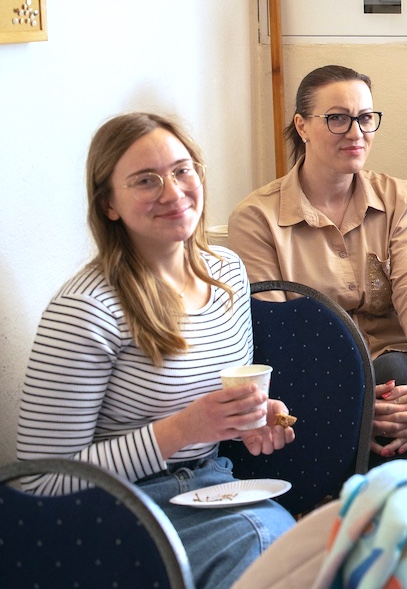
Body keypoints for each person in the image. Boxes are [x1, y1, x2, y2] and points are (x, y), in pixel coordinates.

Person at [16, 112, 296, 589]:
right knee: (265, 548)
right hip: (116, 509)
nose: (173, 192)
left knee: (316, 548)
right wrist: (181, 430)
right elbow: (41, 483)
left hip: (211, 484)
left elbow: (215, 413)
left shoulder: (227, 273)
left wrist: (251, 423)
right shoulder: (85, 309)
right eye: (146, 180)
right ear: (108, 204)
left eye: (182, 170)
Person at [229, 64, 407, 460]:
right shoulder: (256, 218)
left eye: (365, 118)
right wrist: (350, 403)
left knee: (406, 395)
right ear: (302, 126)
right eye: (338, 119)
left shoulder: (399, 197)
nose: (356, 133)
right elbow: (279, 335)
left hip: (394, 363)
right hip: (313, 372)